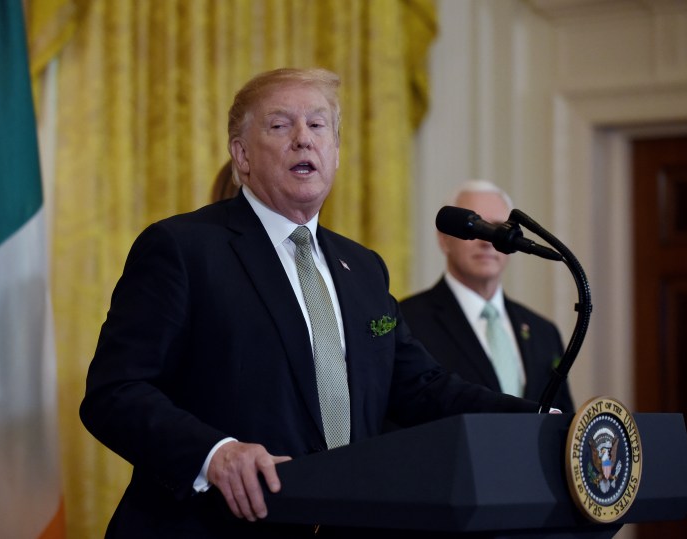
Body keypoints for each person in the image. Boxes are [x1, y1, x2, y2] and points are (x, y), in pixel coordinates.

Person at [80, 68, 544, 539]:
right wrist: (214, 453)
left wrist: (540, 423)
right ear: (241, 155)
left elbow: (422, 388)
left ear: (336, 152)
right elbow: (115, 392)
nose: (304, 139)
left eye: (318, 125)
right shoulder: (183, 248)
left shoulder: (363, 269)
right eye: (280, 125)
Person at [400, 180, 574, 413]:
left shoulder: (543, 331)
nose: (488, 240)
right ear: (444, 240)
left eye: (499, 228)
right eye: (475, 227)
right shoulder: (408, 321)